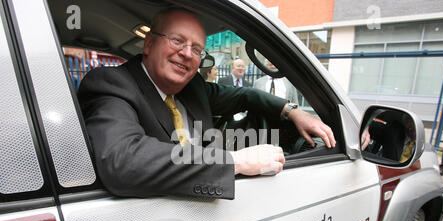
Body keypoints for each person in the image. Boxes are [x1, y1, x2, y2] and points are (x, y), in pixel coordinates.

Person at [78, 8, 335, 200]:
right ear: (149, 44)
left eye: (197, 49)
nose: (187, 53)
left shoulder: (193, 88)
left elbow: (244, 95)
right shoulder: (112, 84)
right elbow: (122, 160)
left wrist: (293, 111)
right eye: (177, 40)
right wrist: (234, 162)